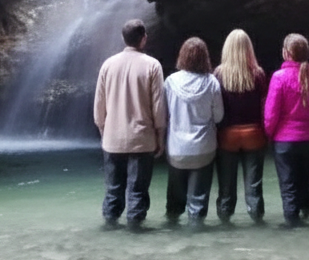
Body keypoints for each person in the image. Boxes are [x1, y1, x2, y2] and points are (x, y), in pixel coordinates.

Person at [93, 19, 166, 231]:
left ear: (122, 39)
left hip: (112, 138)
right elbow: (158, 107)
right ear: (144, 39)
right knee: (138, 190)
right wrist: (160, 137)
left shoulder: (108, 64)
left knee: (113, 189)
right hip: (142, 139)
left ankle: (109, 227)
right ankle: (135, 231)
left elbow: (99, 105)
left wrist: (103, 131)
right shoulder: (152, 65)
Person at [264, 33, 309, 228]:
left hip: (285, 140)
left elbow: (271, 113)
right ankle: (308, 212)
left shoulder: (279, 77)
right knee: (306, 179)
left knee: (288, 184)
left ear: (286, 53)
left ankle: (292, 223)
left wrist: (269, 134)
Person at [164, 37, 224, 228]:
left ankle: (172, 233)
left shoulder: (170, 82)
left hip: (176, 149)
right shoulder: (212, 82)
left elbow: (163, 115)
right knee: (198, 201)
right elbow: (219, 117)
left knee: (174, 201)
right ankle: (196, 239)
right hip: (203, 149)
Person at [213, 29, 268, 223]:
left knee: (226, 187)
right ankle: (257, 220)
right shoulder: (258, 74)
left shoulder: (218, 74)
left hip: (228, 135)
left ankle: (225, 222)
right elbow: (264, 107)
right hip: (253, 134)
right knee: (254, 186)